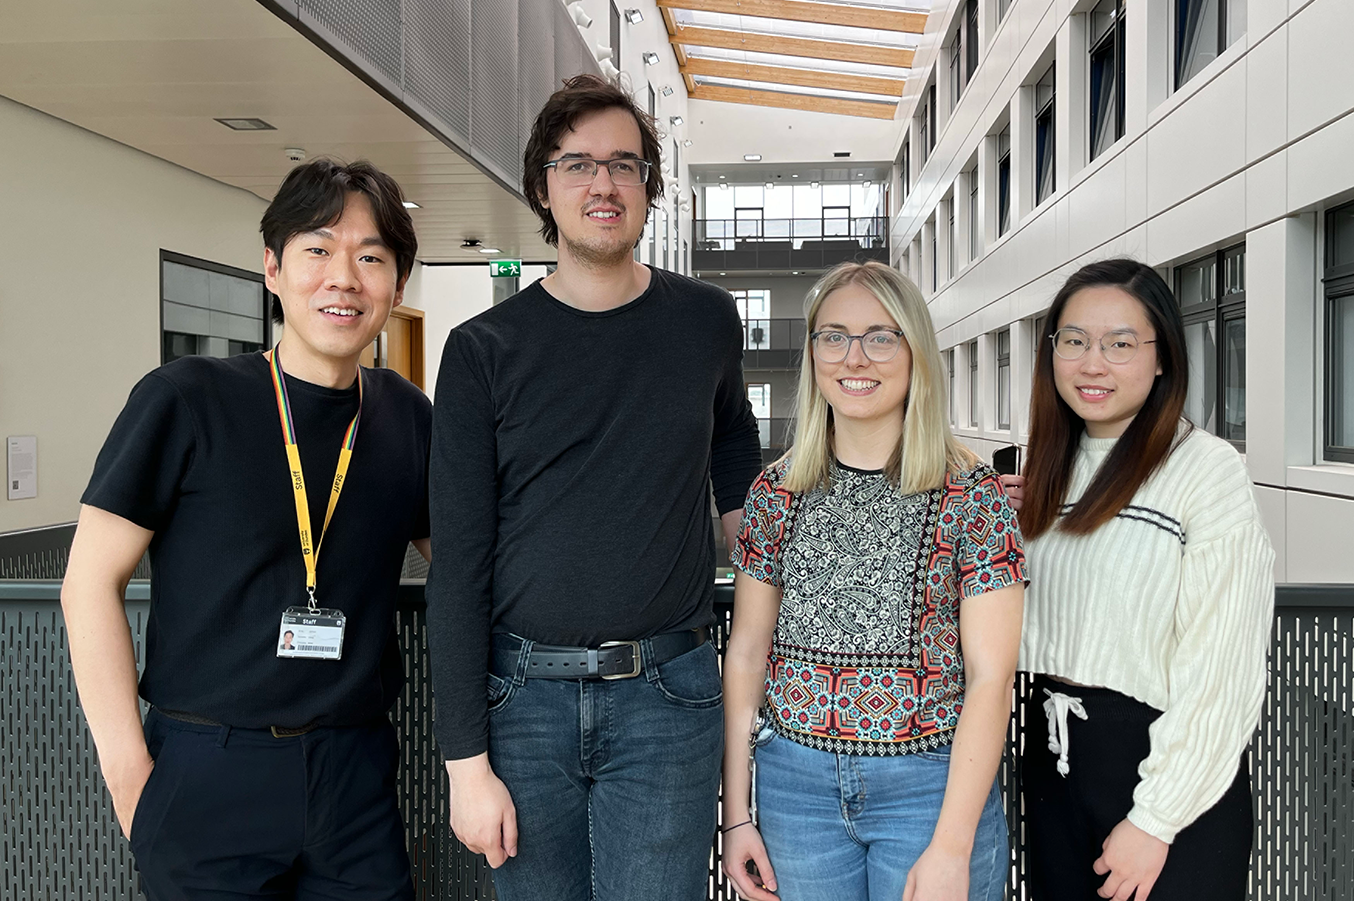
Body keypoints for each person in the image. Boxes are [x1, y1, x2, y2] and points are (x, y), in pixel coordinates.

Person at [424, 74, 762, 901]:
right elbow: (458, 563)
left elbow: (736, 467)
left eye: (624, 163)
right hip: (521, 703)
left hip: (670, 695)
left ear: (650, 184)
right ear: (543, 184)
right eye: (576, 164)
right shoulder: (482, 350)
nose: (602, 183)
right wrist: (465, 763)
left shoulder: (706, 322)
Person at [61, 158, 430, 900]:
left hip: (353, 769)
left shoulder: (409, 416)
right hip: (207, 764)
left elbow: (466, 562)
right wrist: (132, 778)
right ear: (272, 266)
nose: (343, 277)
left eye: (371, 257)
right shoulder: (185, 398)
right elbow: (87, 583)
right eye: (318, 250)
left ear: (395, 285)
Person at [722, 261, 1027, 901]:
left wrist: (952, 845)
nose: (854, 356)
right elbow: (747, 653)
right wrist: (737, 812)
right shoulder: (776, 491)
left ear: (915, 351)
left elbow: (992, 678)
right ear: (811, 354)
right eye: (833, 336)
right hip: (794, 789)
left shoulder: (972, 497)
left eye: (881, 336)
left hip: (930, 788)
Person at [1002, 259, 1274, 901]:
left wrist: (1156, 818)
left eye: (1121, 344)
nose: (1092, 364)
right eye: (1073, 341)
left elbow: (1223, 667)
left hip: (1166, 779)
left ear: (1162, 359)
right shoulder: (1046, 469)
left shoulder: (1206, 470)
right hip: (1054, 760)